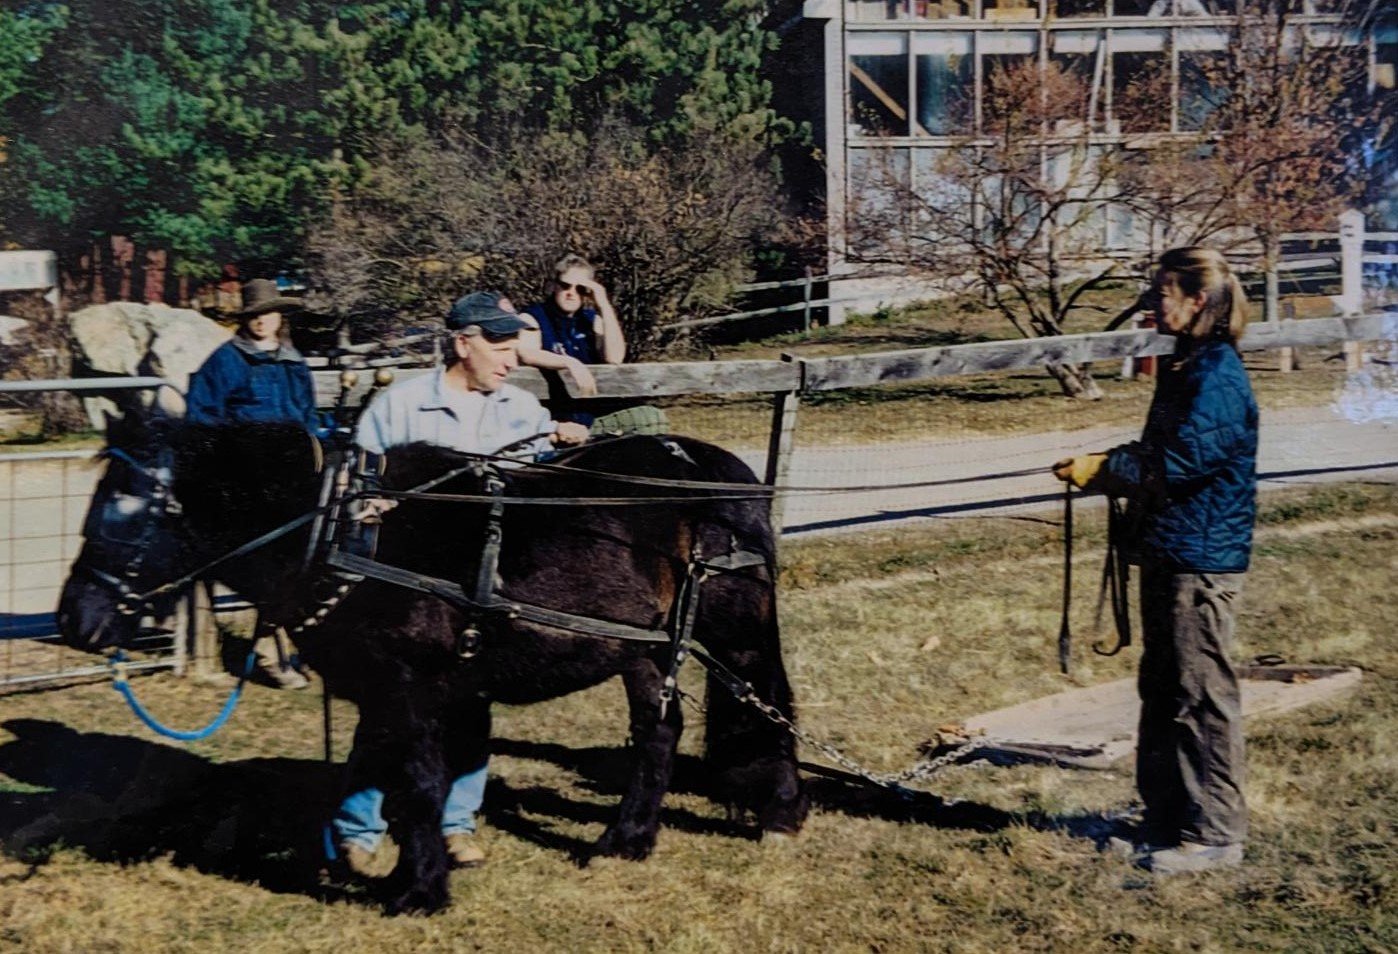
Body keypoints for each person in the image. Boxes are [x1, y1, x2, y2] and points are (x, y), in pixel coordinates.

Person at [334, 290, 589, 876]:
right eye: (499, 347)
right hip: (405, 597)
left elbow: (543, 506)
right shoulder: (397, 408)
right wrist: (369, 507)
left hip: (482, 593)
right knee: (388, 711)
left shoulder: (521, 413)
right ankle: (359, 828)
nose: (511, 360)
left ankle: (456, 822)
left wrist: (563, 442)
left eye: (514, 348)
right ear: (462, 343)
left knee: (471, 704)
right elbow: (354, 494)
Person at [1053, 246, 1258, 876]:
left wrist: (1106, 470)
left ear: (1199, 300)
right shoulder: (1187, 366)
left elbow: (1177, 465)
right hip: (1172, 549)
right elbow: (1157, 450)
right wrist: (1107, 461)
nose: (1153, 303)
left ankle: (1216, 831)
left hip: (1199, 561)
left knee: (1200, 696)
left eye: (1163, 292)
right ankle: (1167, 816)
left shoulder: (1217, 375)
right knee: (1163, 690)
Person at [185, 277, 317, 690]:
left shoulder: (293, 363)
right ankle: (267, 650)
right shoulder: (225, 361)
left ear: (280, 317)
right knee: (269, 561)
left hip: (292, 479)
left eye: (270, 314)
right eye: (256, 316)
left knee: (315, 553)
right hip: (245, 482)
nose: (263, 322)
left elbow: (308, 418)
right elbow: (201, 420)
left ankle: (292, 643)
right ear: (247, 320)